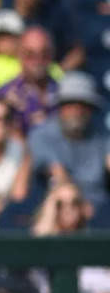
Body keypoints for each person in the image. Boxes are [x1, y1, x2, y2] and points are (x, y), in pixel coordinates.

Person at [28, 71, 110, 211]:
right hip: (60, 209)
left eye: (82, 105)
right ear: (60, 107)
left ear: (90, 109)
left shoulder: (101, 135)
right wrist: (80, 206)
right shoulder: (41, 135)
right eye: (70, 104)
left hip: (100, 208)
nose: (76, 110)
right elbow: (59, 175)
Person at [0, 25, 61, 134]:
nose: (38, 60)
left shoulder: (65, 92)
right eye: (30, 55)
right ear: (19, 55)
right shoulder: (5, 95)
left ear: (52, 55)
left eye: (44, 54)